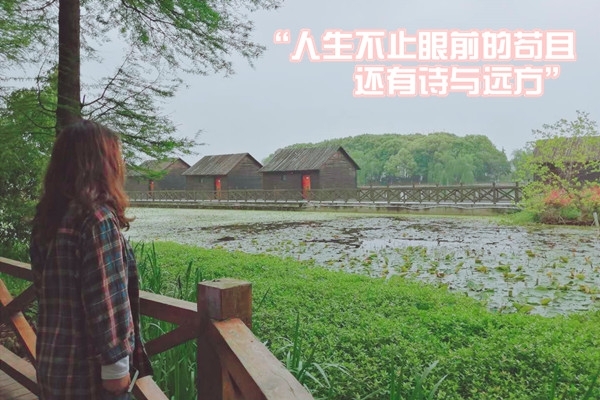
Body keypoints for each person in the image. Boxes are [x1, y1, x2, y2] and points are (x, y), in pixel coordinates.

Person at [30, 119, 153, 399]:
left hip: (52, 364)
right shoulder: (97, 219)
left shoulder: (48, 218)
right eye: (116, 157)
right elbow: (107, 302)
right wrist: (117, 371)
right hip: (88, 378)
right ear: (101, 165)